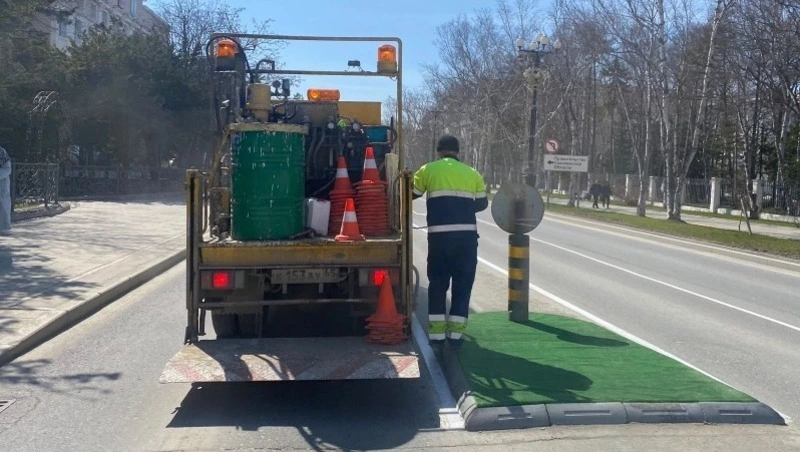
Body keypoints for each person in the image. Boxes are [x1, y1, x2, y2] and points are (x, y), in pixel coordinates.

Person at [412, 135, 488, 349]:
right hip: (467, 240)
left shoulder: (428, 170)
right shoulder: (472, 173)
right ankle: (456, 336)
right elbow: (482, 204)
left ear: (438, 151)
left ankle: (436, 337)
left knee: (437, 285)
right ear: (458, 151)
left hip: (440, 239)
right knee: (463, 286)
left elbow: (411, 193)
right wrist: (461, 208)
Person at [0, 146, 11, 234]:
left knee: (3, 204)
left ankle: (4, 227)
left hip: (2, 183)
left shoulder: (2, 151)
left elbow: (7, 168)